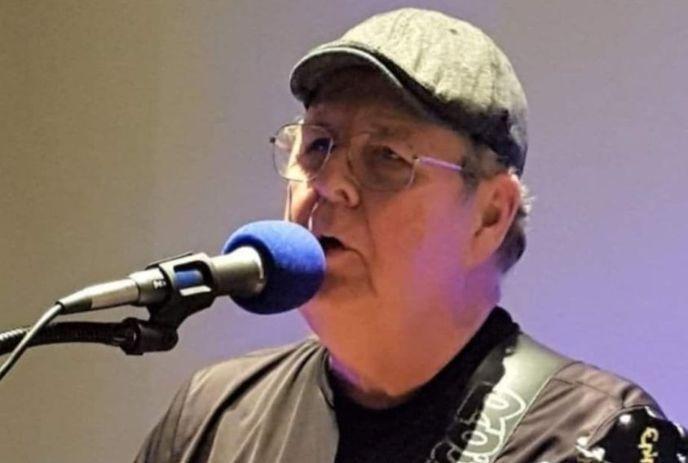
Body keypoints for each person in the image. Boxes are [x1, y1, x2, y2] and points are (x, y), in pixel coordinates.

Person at [136, 8, 681, 463]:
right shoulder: (215, 417)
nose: (329, 184)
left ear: (491, 216)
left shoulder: (595, 439)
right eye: (317, 146)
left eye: (386, 158)